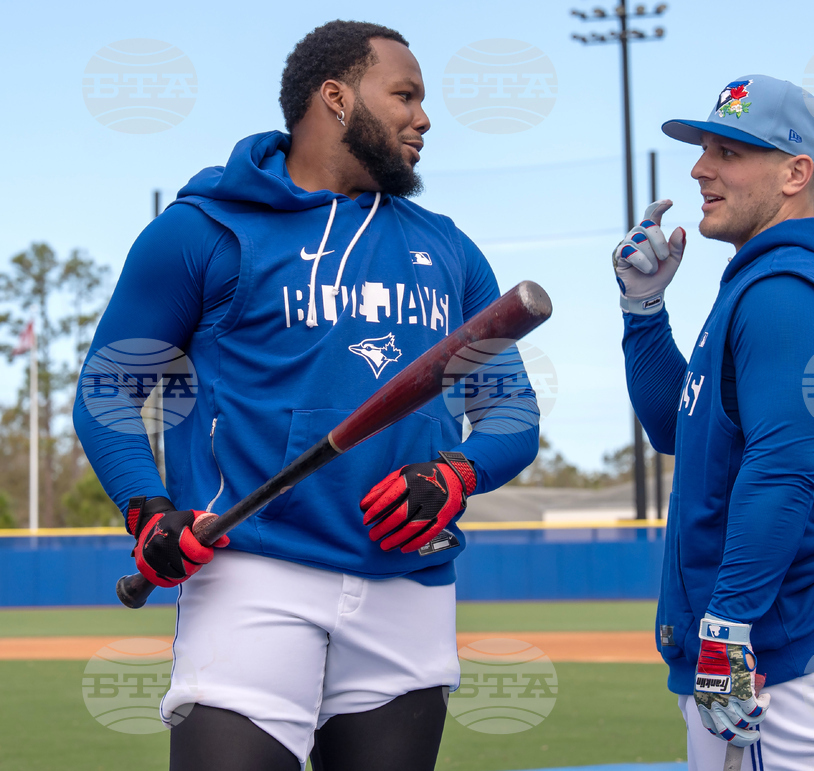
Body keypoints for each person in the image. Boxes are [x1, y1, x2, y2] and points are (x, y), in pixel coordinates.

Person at [74, 20, 539, 771]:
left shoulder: (450, 249)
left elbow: (512, 415)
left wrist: (454, 473)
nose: (423, 118)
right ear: (336, 97)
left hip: (406, 585)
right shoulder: (202, 232)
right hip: (251, 573)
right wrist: (147, 507)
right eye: (405, 95)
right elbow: (105, 392)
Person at [612, 75, 814, 770]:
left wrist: (727, 629)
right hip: (772, 639)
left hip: (776, 648)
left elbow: (782, 471)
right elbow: (674, 429)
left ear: (794, 173)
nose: (700, 167)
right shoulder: (761, 283)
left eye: (729, 151)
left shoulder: (785, 291)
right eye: (704, 149)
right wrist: (643, 313)